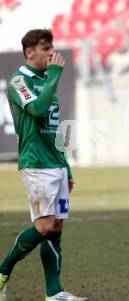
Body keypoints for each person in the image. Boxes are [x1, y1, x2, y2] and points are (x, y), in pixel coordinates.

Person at [0, 29, 87, 301]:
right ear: (29, 52)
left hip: (56, 164)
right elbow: (37, 110)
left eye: (52, 47)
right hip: (36, 163)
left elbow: (55, 128)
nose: (52, 53)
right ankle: (2, 270)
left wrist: (66, 166)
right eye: (45, 48)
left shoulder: (47, 81)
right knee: (46, 225)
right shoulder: (19, 81)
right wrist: (54, 77)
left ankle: (55, 292)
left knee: (56, 228)